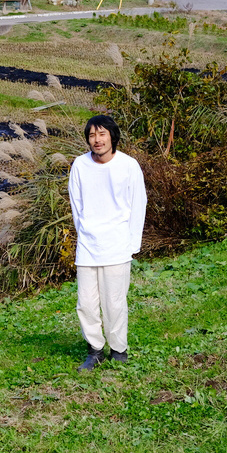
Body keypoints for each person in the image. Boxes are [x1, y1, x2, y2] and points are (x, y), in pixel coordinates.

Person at [68, 114, 147, 371]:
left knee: (114, 302)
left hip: (117, 245)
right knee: (86, 303)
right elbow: (76, 206)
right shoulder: (79, 165)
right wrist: (86, 235)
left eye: (101, 134)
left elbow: (138, 204)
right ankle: (95, 349)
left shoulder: (128, 165)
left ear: (112, 136)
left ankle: (119, 350)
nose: (97, 140)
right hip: (88, 246)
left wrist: (131, 243)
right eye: (92, 135)